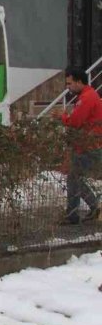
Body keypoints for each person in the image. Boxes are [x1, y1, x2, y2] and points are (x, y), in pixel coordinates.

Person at [54, 69, 102, 224]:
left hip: (89, 145)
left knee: (74, 178)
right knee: (74, 178)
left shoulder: (86, 98)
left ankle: (75, 214)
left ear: (79, 82)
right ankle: (90, 208)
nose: (68, 87)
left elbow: (75, 121)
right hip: (87, 144)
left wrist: (61, 116)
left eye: (70, 83)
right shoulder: (88, 95)